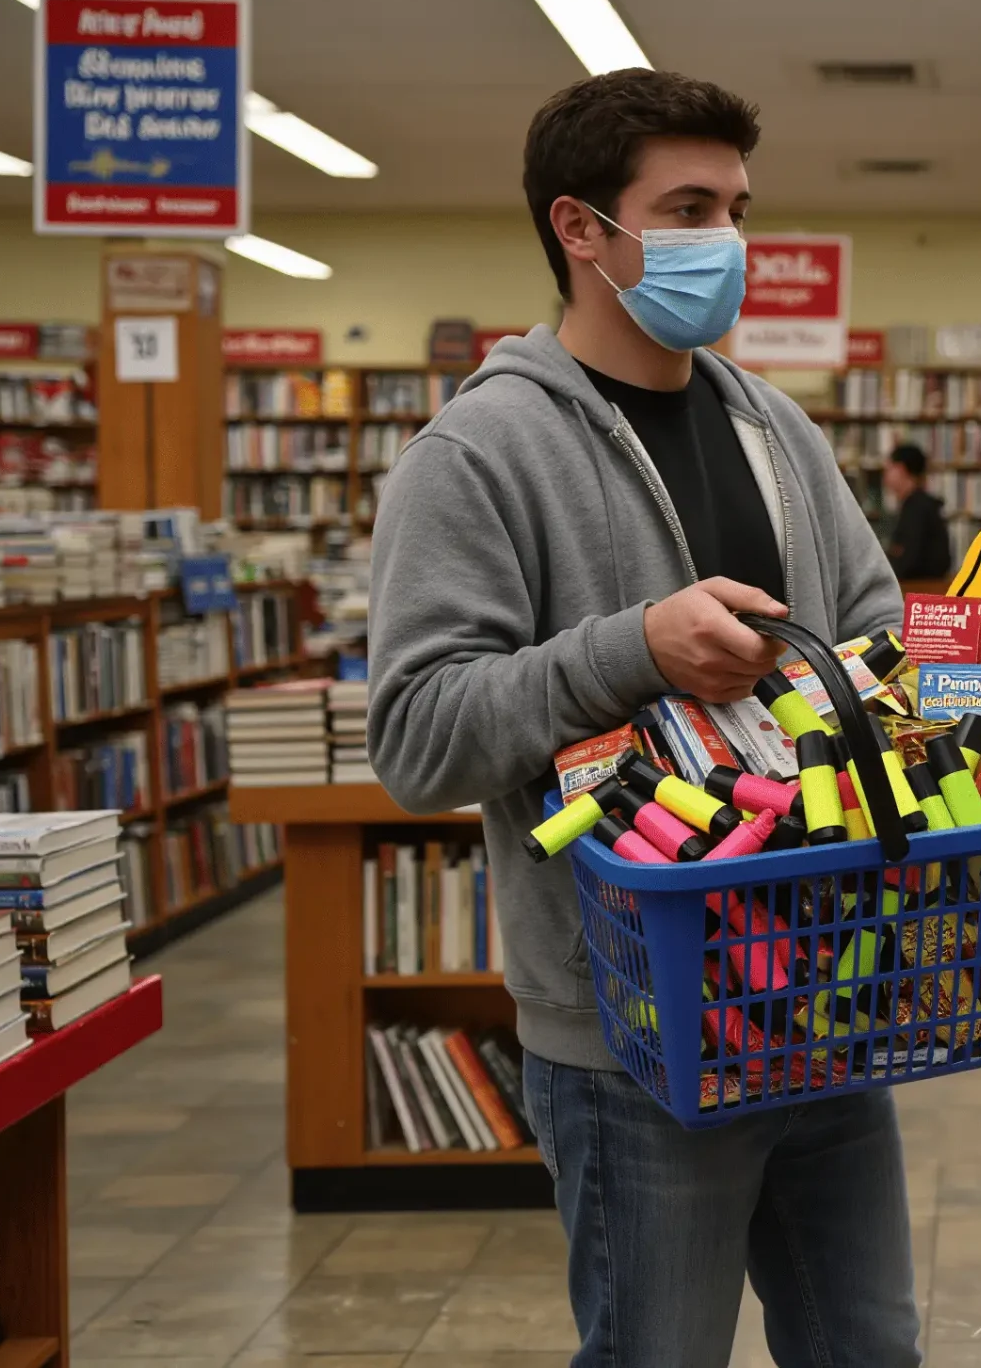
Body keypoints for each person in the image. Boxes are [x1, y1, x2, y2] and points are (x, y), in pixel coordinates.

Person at [365, 69, 918, 1367]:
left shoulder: (777, 426)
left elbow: (875, 622)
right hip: (632, 1034)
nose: (726, 242)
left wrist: (908, 699)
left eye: (735, 206)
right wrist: (632, 648)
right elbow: (418, 736)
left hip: (826, 994)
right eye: (687, 206)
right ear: (580, 229)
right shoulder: (479, 451)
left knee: (872, 1345)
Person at [882, 441, 952, 579]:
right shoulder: (918, 505)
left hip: (919, 591)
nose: (885, 475)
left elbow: (908, 560)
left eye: (889, 468)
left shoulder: (917, 508)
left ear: (900, 469)